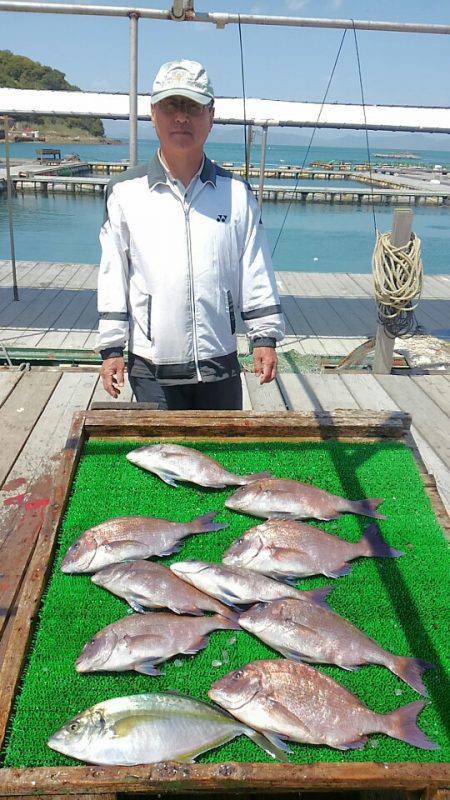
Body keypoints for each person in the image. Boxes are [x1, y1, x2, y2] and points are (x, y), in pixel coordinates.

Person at [96, 59, 284, 410]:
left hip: (220, 363)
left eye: (193, 107)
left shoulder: (237, 193)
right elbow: (113, 275)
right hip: (151, 367)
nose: (181, 117)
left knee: (222, 446)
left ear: (210, 116)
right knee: (161, 446)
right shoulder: (123, 192)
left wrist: (264, 336)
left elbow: (255, 268)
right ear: (153, 114)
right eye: (171, 106)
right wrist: (111, 348)